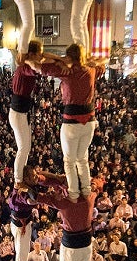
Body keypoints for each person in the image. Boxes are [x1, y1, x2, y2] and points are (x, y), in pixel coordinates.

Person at [24, 42, 105, 200]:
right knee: (82, 158)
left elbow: (37, 66)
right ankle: (86, 189)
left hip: (72, 121)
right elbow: (102, 62)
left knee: (69, 160)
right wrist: (87, 60)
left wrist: (26, 61)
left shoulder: (67, 71)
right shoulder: (91, 70)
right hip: (89, 121)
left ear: (69, 57)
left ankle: (73, 192)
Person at [9, 40, 42, 187]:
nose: (41, 57)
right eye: (39, 54)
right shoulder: (24, 68)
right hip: (18, 114)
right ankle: (18, 180)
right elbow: (37, 68)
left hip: (22, 113)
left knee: (26, 148)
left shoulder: (24, 67)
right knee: (22, 148)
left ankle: (23, 174)